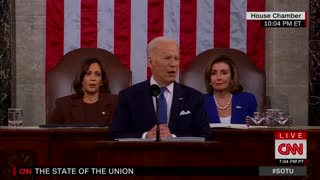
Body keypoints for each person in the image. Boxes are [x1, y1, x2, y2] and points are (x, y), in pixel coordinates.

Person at [111, 36, 211, 140]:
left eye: (176, 58)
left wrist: (173, 137)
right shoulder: (129, 96)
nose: (173, 64)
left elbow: (206, 136)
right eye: (167, 58)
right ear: (150, 62)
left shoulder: (194, 97)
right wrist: (145, 136)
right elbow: (115, 135)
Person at [48, 57, 117, 126]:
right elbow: (48, 132)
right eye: (88, 73)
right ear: (81, 78)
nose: (93, 79)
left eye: (97, 74)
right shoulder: (64, 104)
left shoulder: (115, 102)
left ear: (102, 81)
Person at [204, 55, 257, 124]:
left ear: (232, 78)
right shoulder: (200, 101)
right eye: (214, 73)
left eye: (224, 73)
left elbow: (255, 129)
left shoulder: (248, 99)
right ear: (209, 80)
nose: (218, 77)